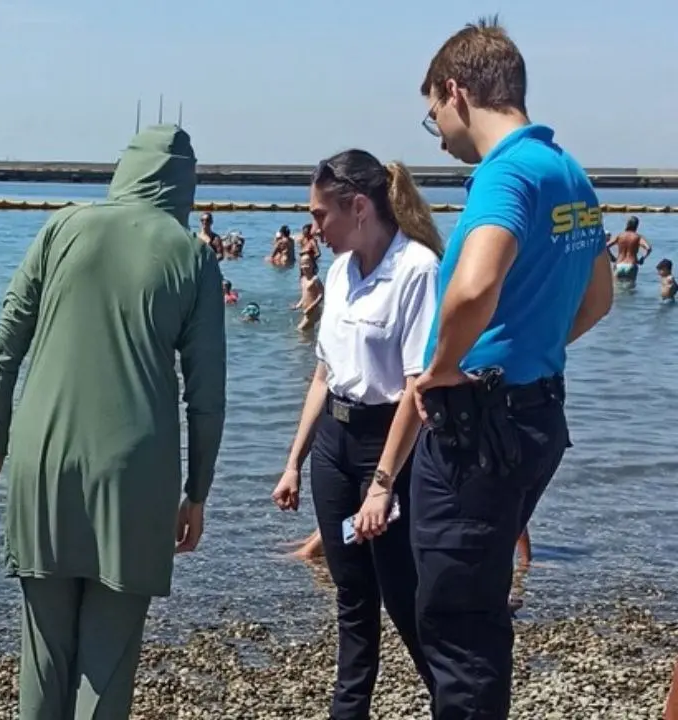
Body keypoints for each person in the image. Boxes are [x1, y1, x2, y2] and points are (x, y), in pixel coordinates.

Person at [0, 125, 226, 719]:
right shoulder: (193, 256)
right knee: (106, 667)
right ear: (185, 184)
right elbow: (206, 395)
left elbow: (3, 347)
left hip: (42, 459)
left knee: (43, 655)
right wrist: (197, 491)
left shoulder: (62, 226)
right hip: (135, 473)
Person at [414, 18, 614, 718]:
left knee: (456, 621)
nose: (436, 131)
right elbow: (600, 297)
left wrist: (439, 368)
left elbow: (473, 285)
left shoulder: (507, 174)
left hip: (477, 429)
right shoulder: (570, 171)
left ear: (456, 91)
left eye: (432, 112)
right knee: (476, 605)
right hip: (534, 417)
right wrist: (531, 348)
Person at [271, 150, 443, 719]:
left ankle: (456, 702)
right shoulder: (341, 270)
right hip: (333, 449)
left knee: (402, 596)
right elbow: (324, 373)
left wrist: (383, 485)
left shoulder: (416, 269)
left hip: (387, 446)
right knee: (352, 598)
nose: (314, 227)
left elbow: (418, 390)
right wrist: (295, 460)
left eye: (322, 215)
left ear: (360, 207)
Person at [606, 215, 651, 284]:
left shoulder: (620, 235)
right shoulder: (638, 237)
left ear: (627, 224)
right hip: (631, 264)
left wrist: (611, 257)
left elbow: (606, 246)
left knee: (617, 289)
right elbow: (648, 248)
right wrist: (643, 258)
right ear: (637, 225)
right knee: (630, 289)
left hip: (619, 264)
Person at [293, 252, 324, 332]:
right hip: (307, 311)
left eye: (307, 263)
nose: (305, 266)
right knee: (308, 331)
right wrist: (298, 305)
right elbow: (304, 295)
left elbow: (322, 294)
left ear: (313, 265)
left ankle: (303, 344)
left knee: (300, 329)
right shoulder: (302, 279)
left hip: (313, 311)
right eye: (302, 264)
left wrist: (311, 307)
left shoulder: (315, 279)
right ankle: (311, 343)